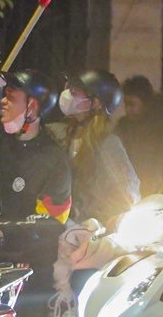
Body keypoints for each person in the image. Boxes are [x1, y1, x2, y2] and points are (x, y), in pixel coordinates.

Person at [0, 55, 73, 224]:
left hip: (19, 249)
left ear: (32, 107)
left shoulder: (55, 160)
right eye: (5, 95)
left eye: (11, 98)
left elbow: (50, 225)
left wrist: (4, 233)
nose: (4, 102)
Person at [60, 70, 139, 225]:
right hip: (68, 229)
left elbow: (128, 194)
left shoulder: (108, 144)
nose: (68, 96)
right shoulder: (67, 136)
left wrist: (96, 223)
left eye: (76, 93)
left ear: (95, 102)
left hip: (92, 234)